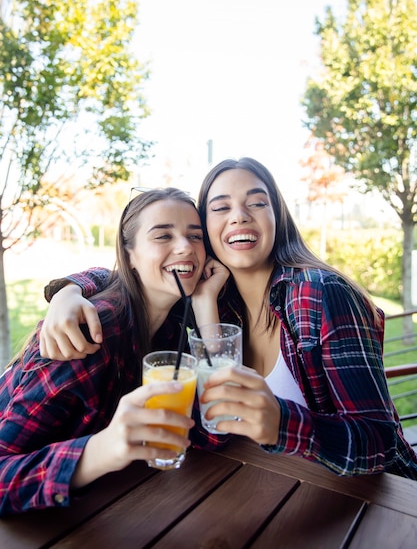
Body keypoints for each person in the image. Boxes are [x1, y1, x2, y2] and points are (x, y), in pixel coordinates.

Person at [39, 158, 417, 480]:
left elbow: (380, 443)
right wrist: (68, 290)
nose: (239, 216)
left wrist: (282, 423)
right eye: (220, 208)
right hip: (265, 491)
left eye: (256, 203)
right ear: (206, 231)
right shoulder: (217, 302)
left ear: (277, 217)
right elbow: (133, 269)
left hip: (377, 508)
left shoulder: (320, 294)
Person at [0, 188, 230, 516]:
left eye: (195, 236)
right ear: (130, 255)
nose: (185, 247)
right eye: (163, 235)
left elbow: (215, 430)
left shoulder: (170, 331)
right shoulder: (91, 333)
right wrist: (101, 451)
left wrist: (206, 303)